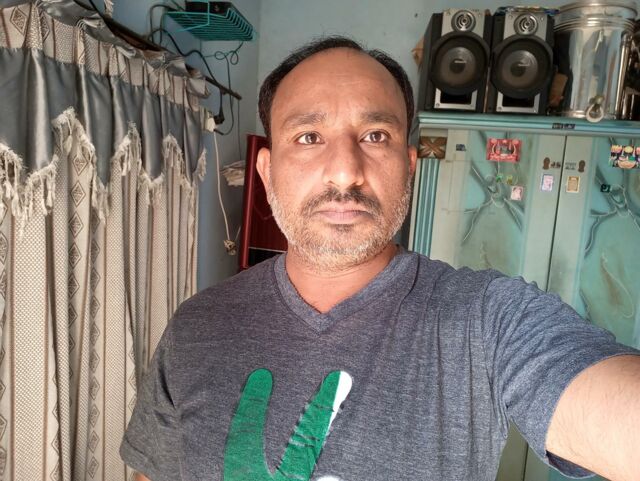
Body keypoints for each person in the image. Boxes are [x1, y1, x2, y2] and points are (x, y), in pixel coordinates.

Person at [120, 36, 640, 481]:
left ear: (409, 167)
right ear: (266, 171)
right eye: (309, 137)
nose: (345, 171)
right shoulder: (197, 325)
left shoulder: (486, 320)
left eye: (375, 136)